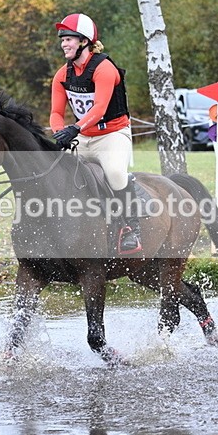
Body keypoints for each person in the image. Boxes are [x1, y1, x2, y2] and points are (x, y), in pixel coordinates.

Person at [49, 13, 142, 255]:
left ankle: (131, 228)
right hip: (82, 136)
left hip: (112, 135)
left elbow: (100, 109)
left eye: (69, 39)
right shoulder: (62, 74)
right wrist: (60, 133)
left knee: (114, 173)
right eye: (62, 40)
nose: (64, 44)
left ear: (84, 41)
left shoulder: (104, 68)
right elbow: (56, 113)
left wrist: (75, 129)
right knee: (58, 173)